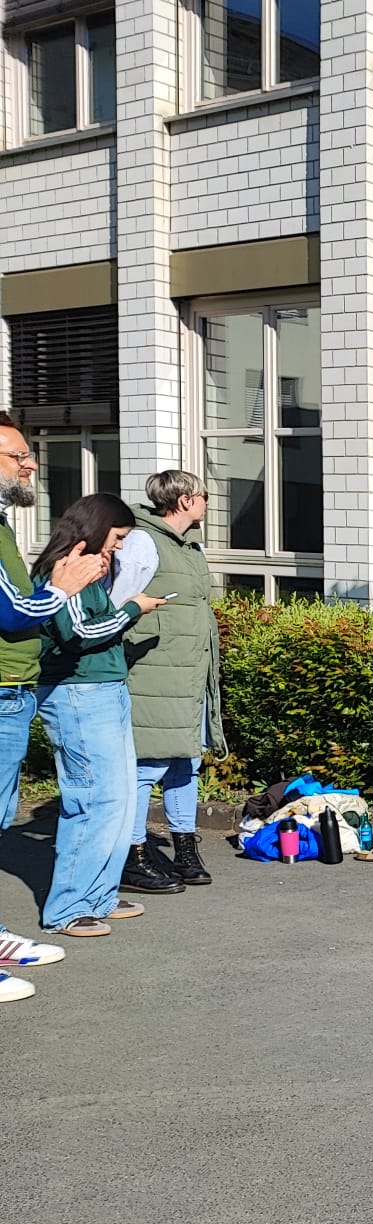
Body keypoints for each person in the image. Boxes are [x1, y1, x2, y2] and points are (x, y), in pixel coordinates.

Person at [0, 416, 124, 1001]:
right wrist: (64, 588)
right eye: (17, 455)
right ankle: (72, 905)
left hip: (14, 691)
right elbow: (16, 613)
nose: (30, 464)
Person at [32, 494, 168, 938]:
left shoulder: (92, 570)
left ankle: (99, 897)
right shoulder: (64, 569)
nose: (120, 546)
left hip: (105, 689)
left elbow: (94, 629)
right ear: (96, 528)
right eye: (118, 536)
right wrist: (132, 609)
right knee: (93, 800)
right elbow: (77, 635)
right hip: (77, 694)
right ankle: (68, 908)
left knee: (119, 800)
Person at [111, 471, 227, 891]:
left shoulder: (189, 545)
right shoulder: (143, 542)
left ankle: (185, 851)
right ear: (184, 501)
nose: (208, 503)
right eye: (204, 495)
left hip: (190, 672)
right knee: (148, 765)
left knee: (186, 763)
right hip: (153, 672)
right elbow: (116, 603)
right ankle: (134, 854)